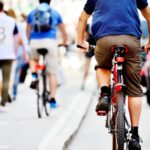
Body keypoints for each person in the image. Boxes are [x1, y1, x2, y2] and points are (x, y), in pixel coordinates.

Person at [76, 0, 150, 150]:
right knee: (135, 90)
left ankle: (104, 93)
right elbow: (149, 15)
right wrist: (149, 42)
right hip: (131, 39)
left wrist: (80, 41)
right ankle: (134, 136)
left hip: (104, 39)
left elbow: (82, 18)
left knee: (102, 66)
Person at [26, 0, 67, 108]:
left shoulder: (32, 13)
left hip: (35, 42)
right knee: (52, 73)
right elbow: (63, 29)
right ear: (50, 1)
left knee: (33, 59)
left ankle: (34, 75)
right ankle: (52, 100)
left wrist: (29, 40)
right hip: (50, 42)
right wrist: (64, 42)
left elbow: (28, 29)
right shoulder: (54, 12)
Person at [0, 1, 21, 111]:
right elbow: (16, 39)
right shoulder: (11, 21)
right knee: (6, 79)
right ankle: (3, 104)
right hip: (7, 53)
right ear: (2, 8)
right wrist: (15, 51)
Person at [7, 9, 29, 100]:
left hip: (10, 52)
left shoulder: (10, 24)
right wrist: (25, 53)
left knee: (10, 74)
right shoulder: (20, 25)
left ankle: (8, 92)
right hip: (18, 52)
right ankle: (13, 92)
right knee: (15, 73)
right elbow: (22, 40)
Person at [81, 23, 96, 90]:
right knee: (99, 66)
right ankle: (98, 85)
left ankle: (83, 83)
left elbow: (85, 36)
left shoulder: (87, 24)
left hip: (89, 45)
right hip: (97, 44)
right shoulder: (98, 21)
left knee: (87, 66)